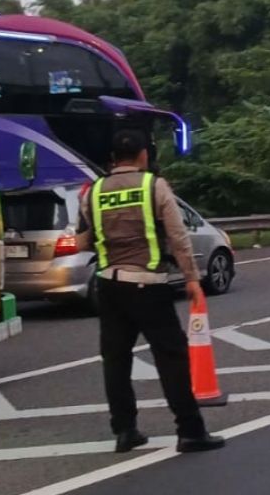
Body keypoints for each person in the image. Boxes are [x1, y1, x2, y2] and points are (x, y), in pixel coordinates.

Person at [77, 129, 226, 454]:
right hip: (147, 285)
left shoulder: (93, 192)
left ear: (114, 158)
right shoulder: (153, 186)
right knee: (171, 358)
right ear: (144, 155)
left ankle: (125, 430)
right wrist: (191, 278)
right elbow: (178, 235)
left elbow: (85, 240)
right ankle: (190, 431)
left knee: (115, 360)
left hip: (108, 284)